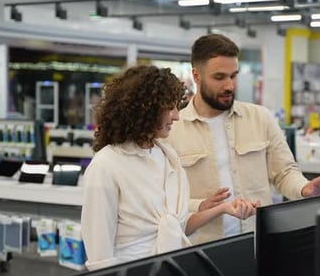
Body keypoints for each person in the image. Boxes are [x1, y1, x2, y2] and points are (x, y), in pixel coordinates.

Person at [167, 34, 320, 245]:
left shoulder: (260, 118)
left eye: (233, 76)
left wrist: (304, 188)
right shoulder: (172, 130)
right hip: (200, 247)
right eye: (219, 77)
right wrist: (200, 205)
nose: (229, 85)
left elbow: (284, 172)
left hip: (257, 242)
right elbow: (166, 200)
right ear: (196, 76)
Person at [80, 65, 258, 271]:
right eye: (170, 108)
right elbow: (99, 256)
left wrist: (224, 209)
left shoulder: (167, 156)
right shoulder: (106, 165)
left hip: (171, 267)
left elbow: (175, 227)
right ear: (146, 109)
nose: (177, 116)